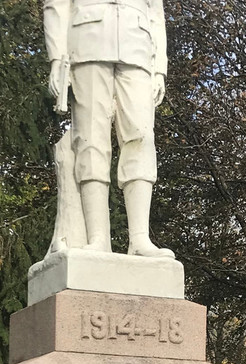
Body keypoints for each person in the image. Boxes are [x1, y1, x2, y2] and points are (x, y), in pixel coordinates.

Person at [43, 0, 174, 258]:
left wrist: (159, 68)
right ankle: (98, 239)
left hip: (137, 47)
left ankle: (139, 239)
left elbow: (155, 12)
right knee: (91, 139)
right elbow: (56, 5)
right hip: (87, 43)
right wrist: (57, 57)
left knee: (141, 137)